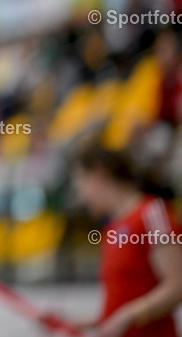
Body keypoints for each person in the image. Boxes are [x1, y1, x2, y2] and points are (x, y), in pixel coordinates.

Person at [47, 142, 182, 337]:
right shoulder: (112, 228)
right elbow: (120, 306)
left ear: (98, 174)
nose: (82, 198)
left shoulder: (151, 213)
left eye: (81, 185)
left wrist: (131, 315)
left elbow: (177, 285)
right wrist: (78, 322)